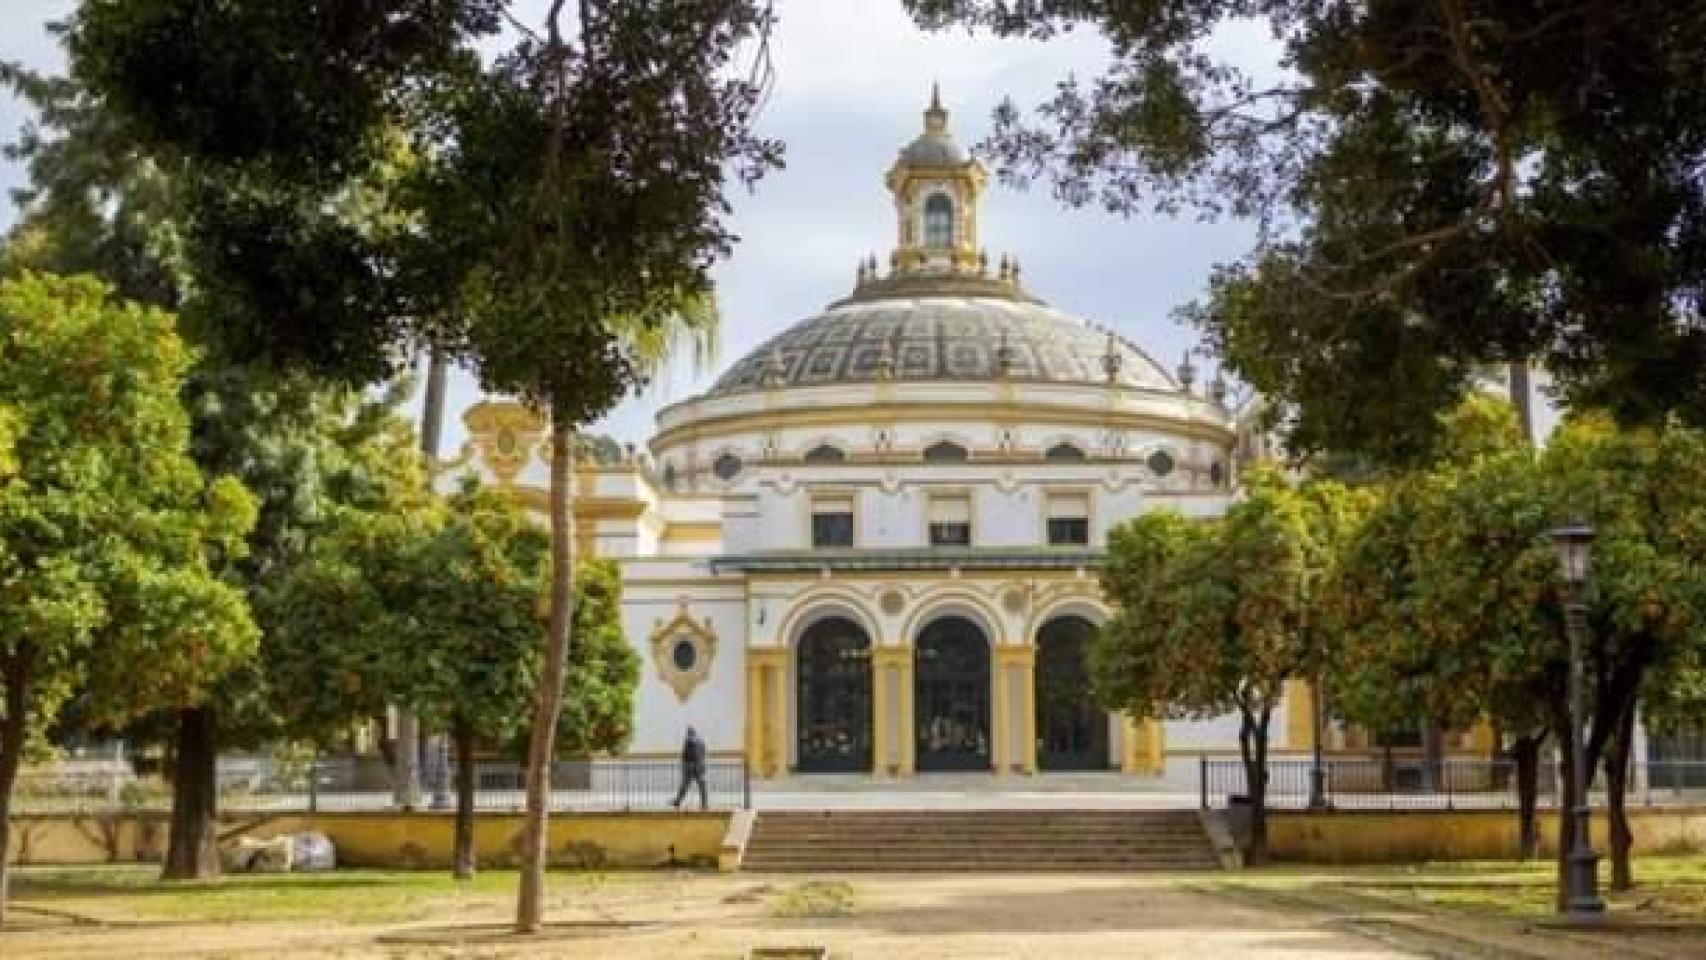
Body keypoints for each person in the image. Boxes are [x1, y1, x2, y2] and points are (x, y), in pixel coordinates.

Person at [671, 726, 708, 810]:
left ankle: (677, 802)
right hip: (699, 766)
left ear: (689, 733)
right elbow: (703, 753)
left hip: (690, 766)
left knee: (685, 785)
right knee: (702, 785)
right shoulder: (701, 741)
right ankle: (704, 804)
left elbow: (685, 755)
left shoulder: (688, 741)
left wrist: (684, 765)